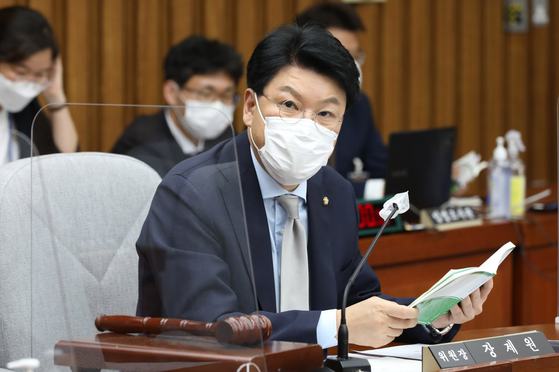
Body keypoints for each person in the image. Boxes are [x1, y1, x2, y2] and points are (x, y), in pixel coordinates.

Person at [136, 24, 492, 350]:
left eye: (325, 114)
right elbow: (212, 328)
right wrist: (334, 326)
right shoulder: (191, 193)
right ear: (249, 107)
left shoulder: (333, 191)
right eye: (289, 105)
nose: (306, 126)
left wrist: (431, 314)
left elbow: (357, 303)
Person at [111, 35, 243, 177]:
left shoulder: (229, 139)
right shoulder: (142, 140)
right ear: (172, 92)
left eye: (226, 95)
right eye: (206, 94)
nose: (218, 105)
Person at [296, 2, 387, 196]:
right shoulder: (287, 108)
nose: (352, 66)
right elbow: (309, 185)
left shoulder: (360, 104)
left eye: (356, 56)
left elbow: (381, 165)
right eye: (343, 55)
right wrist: (375, 189)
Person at [0, 6, 78, 166]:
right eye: (20, 72)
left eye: (39, 74)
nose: (28, 83)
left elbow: (68, 164)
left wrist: (56, 97)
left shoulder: (23, 109)